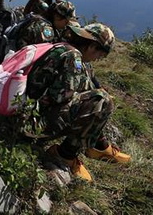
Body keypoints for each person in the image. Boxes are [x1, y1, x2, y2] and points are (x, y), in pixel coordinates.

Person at [22, 22, 131, 182]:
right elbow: (59, 97)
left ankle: (99, 146)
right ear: (92, 46)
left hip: (25, 115)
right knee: (101, 101)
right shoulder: (72, 57)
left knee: (96, 97)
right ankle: (64, 155)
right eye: (99, 55)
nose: (97, 59)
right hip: (32, 124)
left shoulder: (64, 49)